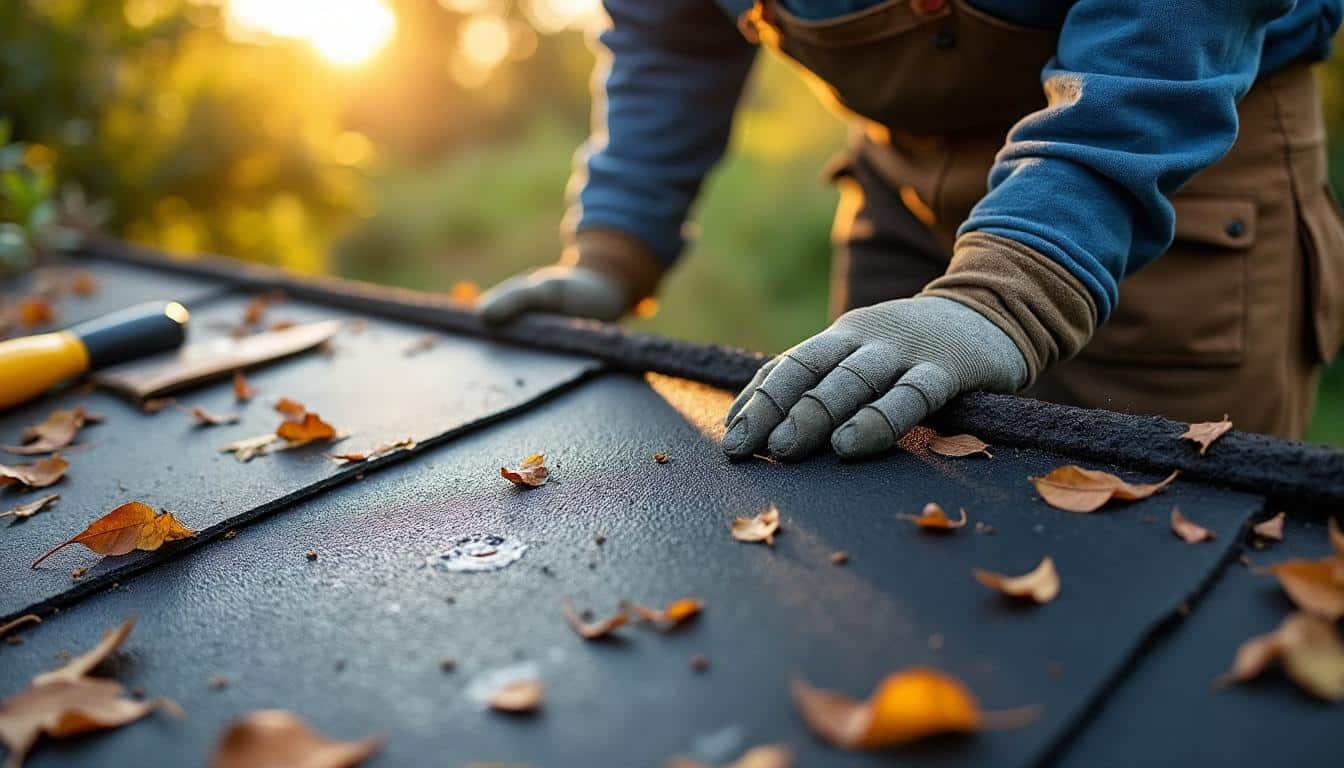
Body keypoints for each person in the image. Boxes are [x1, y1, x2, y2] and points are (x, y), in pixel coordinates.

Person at [478, 0, 1344, 460]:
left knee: (1157, 573)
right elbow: (673, 36)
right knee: (877, 525)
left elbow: (1172, 22)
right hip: (899, 180)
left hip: (1171, 143)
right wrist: (614, 245)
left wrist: (1020, 286)